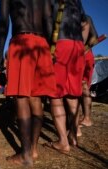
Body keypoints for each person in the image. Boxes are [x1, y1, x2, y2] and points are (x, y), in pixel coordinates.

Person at [0, 0, 57, 167]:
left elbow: (3, 21)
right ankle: (33, 150)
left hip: (22, 42)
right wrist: (53, 48)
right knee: (36, 97)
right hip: (42, 44)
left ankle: (25, 155)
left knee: (21, 97)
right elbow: (48, 19)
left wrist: (1, 51)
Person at [47, 0, 86, 152]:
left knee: (55, 95)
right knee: (73, 94)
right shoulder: (76, 1)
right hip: (78, 46)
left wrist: (50, 47)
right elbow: (85, 23)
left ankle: (63, 142)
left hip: (61, 43)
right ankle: (73, 135)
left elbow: (48, 21)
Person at [79, 15, 98, 128]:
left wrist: (84, 50)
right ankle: (85, 117)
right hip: (78, 55)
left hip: (84, 55)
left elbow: (94, 38)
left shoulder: (85, 18)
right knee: (81, 87)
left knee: (83, 86)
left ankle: (86, 118)